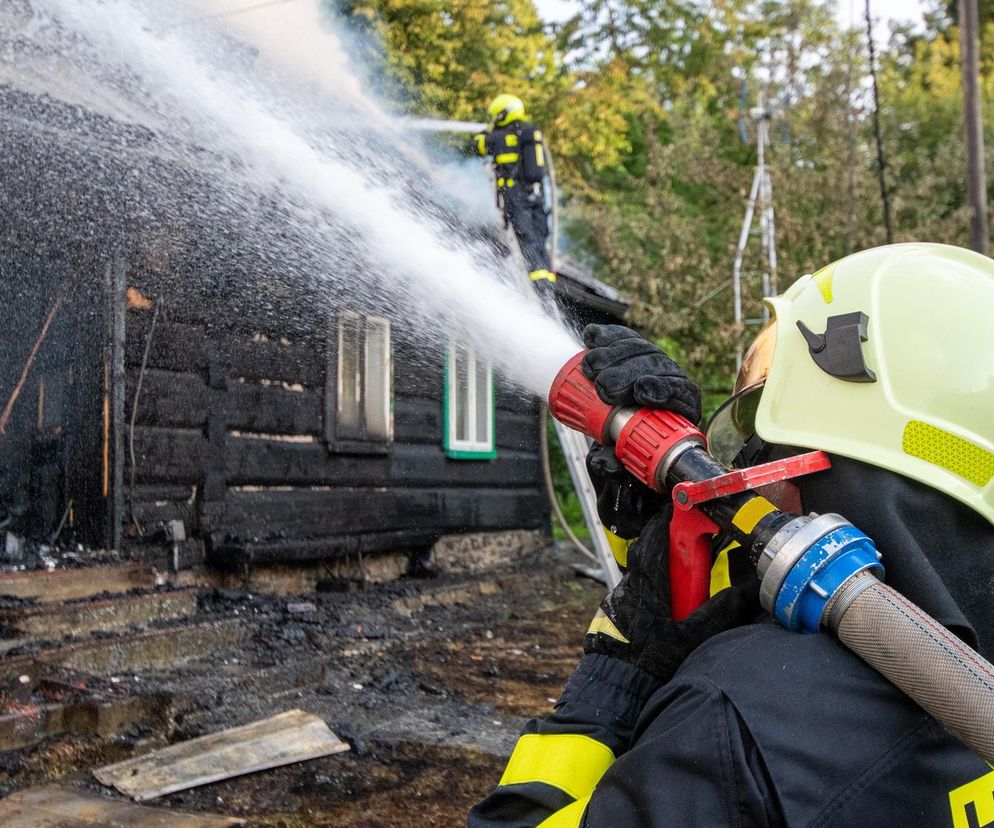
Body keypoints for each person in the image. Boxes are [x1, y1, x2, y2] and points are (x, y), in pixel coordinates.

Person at [468, 243, 994, 827]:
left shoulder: (733, 723)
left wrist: (621, 671)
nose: (748, 472)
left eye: (763, 441)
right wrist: (661, 545)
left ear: (820, 459)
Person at [473, 94, 556, 289]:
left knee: (526, 237)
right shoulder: (530, 132)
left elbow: (477, 146)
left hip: (516, 194)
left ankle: (537, 284)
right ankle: (547, 283)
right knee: (539, 237)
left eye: (497, 116)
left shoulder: (499, 137)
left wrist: (486, 132)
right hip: (538, 194)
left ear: (504, 114)